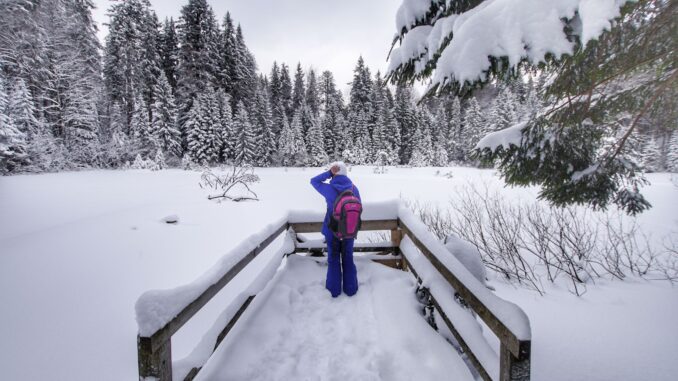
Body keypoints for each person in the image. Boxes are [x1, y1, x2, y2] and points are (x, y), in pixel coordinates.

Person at [310, 162, 361, 297]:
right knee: (348, 258)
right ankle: (351, 290)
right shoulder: (354, 189)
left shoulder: (329, 188)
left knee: (333, 259)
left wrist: (328, 174)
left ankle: (334, 291)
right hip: (349, 231)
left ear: (335, 173)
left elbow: (313, 181)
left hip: (332, 231)